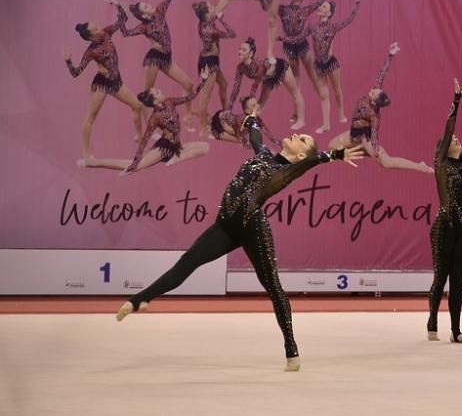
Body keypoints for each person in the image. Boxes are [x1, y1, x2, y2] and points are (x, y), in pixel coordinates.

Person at [115, 116, 365, 371]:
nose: (296, 136)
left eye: (302, 140)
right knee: (188, 262)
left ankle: (291, 350)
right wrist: (252, 120)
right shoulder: (265, 155)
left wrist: (333, 155)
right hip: (225, 226)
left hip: (252, 228)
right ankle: (139, 299)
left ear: (301, 155)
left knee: (273, 287)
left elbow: (310, 163)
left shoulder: (286, 171)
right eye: (300, 135)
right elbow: (256, 137)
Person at [427, 80, 462, 343]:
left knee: (458, 281)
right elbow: (449, 131)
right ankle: (433, 322)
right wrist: (456, 101)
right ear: (444, 148)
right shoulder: (441, 165)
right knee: (440, 278)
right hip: (444, 227)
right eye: (453, 141)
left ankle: (456, 330)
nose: (458, 141)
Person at [326, 43, 432, 173]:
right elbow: (382, 74)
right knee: (332, 146)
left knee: (386, 162)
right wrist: (390, 56)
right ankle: (362, 151)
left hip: (366, 139)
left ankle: (421, 167)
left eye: (373, 93)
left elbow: (374, 134)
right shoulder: (375, 91)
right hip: (354, 135)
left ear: (375, 103)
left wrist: (376, 150)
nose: (371, 90)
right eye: (374, 90)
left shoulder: (374, 115)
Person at [80, 70, 211, 173]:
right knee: (131, 165)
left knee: (206, 147)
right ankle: (93, 163)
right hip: (163, 149)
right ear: (155, 101)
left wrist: (203, 81)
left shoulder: (170, 102)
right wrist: (135, 163)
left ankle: (177, 158)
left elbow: (190, 96)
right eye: (158, 92)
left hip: (176, 146)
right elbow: (144, 142)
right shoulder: (155, 118)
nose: (161, 91)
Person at [64, 3, 144, 159]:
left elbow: (122, 20)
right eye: (96, 29)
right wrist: (68, 61)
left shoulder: (106, 32)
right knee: (90, 118)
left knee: (137, 105)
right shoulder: (91, 52)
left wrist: (118, 6)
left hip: (115, 81)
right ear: (91, 36)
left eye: (98, 25)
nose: (100, 27)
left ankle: (139, 136)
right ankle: (86, 154)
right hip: (102, 84)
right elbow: (76, 72)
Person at [120, 0, 196, 127]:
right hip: (154, 59)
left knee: (188, 84)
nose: (150, 6)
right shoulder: (144, 27)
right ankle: (149, 125)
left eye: (147, 4)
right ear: (145, 15)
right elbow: (126, 33)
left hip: (166, 58)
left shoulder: (160, 11)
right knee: (147, 94)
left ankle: (188, 116)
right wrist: (121, 13)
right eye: (146, 7)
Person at [308, 0, 361, 132]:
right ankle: (326, 124)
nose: (320, 7)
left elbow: (350, 19)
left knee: (336, 89)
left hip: (331, 63)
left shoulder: (333, 27)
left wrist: (357, 1)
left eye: (324, 6)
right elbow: (299, 38)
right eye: (321, 5)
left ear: (329, 13)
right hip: (318, 65)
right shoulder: (312, 27)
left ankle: (341, 113)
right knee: (324, 95)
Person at [229, 37, 306, 130]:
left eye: (243, 50)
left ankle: (301, 120)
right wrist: (229, 108)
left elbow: (255, 86)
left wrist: (248, 103)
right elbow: (235, 88)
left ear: (251, 54)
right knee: (260, 103)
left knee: (295, 92)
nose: (240, 51)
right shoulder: (240, 67)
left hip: (280, 67)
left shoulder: (257, 65)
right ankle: (250, 126)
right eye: (240, 49)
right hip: (267, 76)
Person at [192, 1, 236, 136]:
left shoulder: (205, 23)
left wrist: (215, 17)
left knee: (224, 84)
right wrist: (221, 19)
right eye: (211, 8)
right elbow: (231, 34)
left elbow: (211, 18)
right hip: (209, 63)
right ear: (206, 15)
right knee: (205, 96)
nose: (214, 8)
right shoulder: (211, 30)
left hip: (212, 61)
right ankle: (202, 128)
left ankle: (225, 113)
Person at [211, 96, 279, 149]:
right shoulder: (241, 120)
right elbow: (239, 137)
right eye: (254, 105)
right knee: (239, 141)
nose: (258, 106)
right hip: (219, 123)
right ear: (247, 111)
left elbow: (268, 134)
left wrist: (279, 143)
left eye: (257, 104)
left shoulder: (257, 120)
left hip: (229, 120)